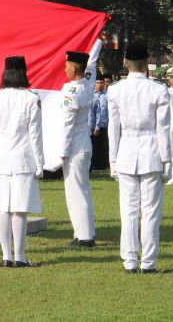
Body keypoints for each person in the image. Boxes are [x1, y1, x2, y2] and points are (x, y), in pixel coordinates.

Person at [108, 42, 172, 273]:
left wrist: (112, 160)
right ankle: (148, 262)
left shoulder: (115, 90)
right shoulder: (158, 90)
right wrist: (167, 159)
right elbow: (163, 128)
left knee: (128, 210)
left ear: (125, 63)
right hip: (151, 151)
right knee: (151, 211)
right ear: (146, 64)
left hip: (126, 151)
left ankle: (129, 260)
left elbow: (113, 130)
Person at [0, 56, 43, 268]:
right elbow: (35, 135)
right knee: (19, 208)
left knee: (3, 208)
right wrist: (40, 162)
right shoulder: (30, 99)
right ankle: (19, 256)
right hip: (23, 156)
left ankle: (6, 256)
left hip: (1, 156)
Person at [59, 40, 102, 248]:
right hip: (84, 144)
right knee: (82, 190)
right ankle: (85, 232)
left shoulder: (71, 92)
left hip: (74, 147)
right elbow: (92, 62)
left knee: (75, 192)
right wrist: (99, 39)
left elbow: (67, 125)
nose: (65, 69)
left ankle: (84, 236)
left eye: (67, 66)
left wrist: (62, 151)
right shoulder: (88, 82)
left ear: (75, 68)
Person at [89, 75, 109, 170]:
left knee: (103, 146)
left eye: (101, 83)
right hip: (93, 126)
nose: (99, 85)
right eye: (97, 83)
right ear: (94, 84)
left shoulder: (107, 95)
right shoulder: (91, 95)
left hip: (104, 125)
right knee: (93, 146)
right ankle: (93, 163)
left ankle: (102, 164)